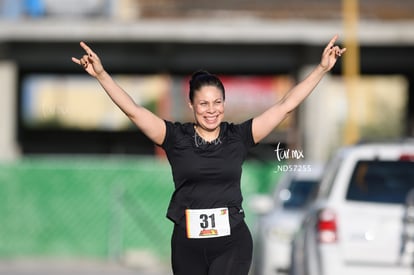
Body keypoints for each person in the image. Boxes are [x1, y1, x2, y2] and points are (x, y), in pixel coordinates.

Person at [71, 35, 346, 275]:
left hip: (232, 243)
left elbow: (286, 105)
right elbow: (134, 111)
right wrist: (101, 75)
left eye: (217, 103)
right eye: (203, 103)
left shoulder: (238, 136)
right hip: (187, 243)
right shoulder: (175, 138)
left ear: (224, 105)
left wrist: (321, 69)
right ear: (191, 105)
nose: (211, 110)